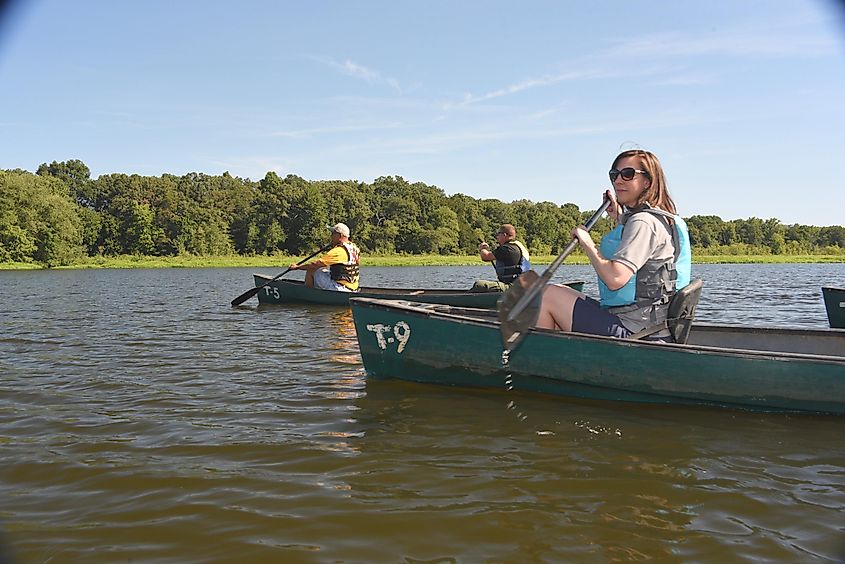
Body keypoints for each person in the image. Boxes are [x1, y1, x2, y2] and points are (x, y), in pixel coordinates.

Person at [536, 149, 691, 340]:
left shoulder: (642, 222)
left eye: (628, 174)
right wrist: (618, 216)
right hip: (651, 326)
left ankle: (544, 363)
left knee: (547, 295)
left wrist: (587, 243)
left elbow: (615, 278)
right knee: (560, 290)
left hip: (637, 332)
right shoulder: (661, 218)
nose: (618, 181)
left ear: (647, 182)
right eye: (614, 174)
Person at [288, 223, 361, 292]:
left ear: (340, 236)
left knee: (311, 270)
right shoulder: (354, 248)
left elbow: (315, 264)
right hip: (353, 289)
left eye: (333, 234)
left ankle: (309, 293)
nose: (331, 236)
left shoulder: (338, 251)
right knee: (322, 269)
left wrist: (297, 267)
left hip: (340, 288)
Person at [473, 224, 532, 292]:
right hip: (521, 287)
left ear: (504, 235)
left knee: (479, 285)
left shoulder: (507, 249)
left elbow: (485, 257)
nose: (497, 236)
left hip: (513, 287)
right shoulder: (516, 246)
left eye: (498, 234)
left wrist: (482, 248)